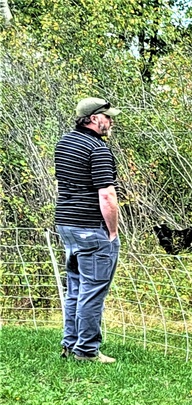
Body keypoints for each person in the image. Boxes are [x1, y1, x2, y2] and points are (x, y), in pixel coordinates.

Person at [54, 97, 122, 363]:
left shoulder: (65, 143)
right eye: (107, 117)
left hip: (66, 225)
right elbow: (106, 195)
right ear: (94, 119)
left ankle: (70, 344)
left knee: (76, 288)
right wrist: (112, 232)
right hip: (92, 229)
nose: (111, 121)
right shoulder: (98, 149)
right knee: (93, 290)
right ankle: (87, 350)